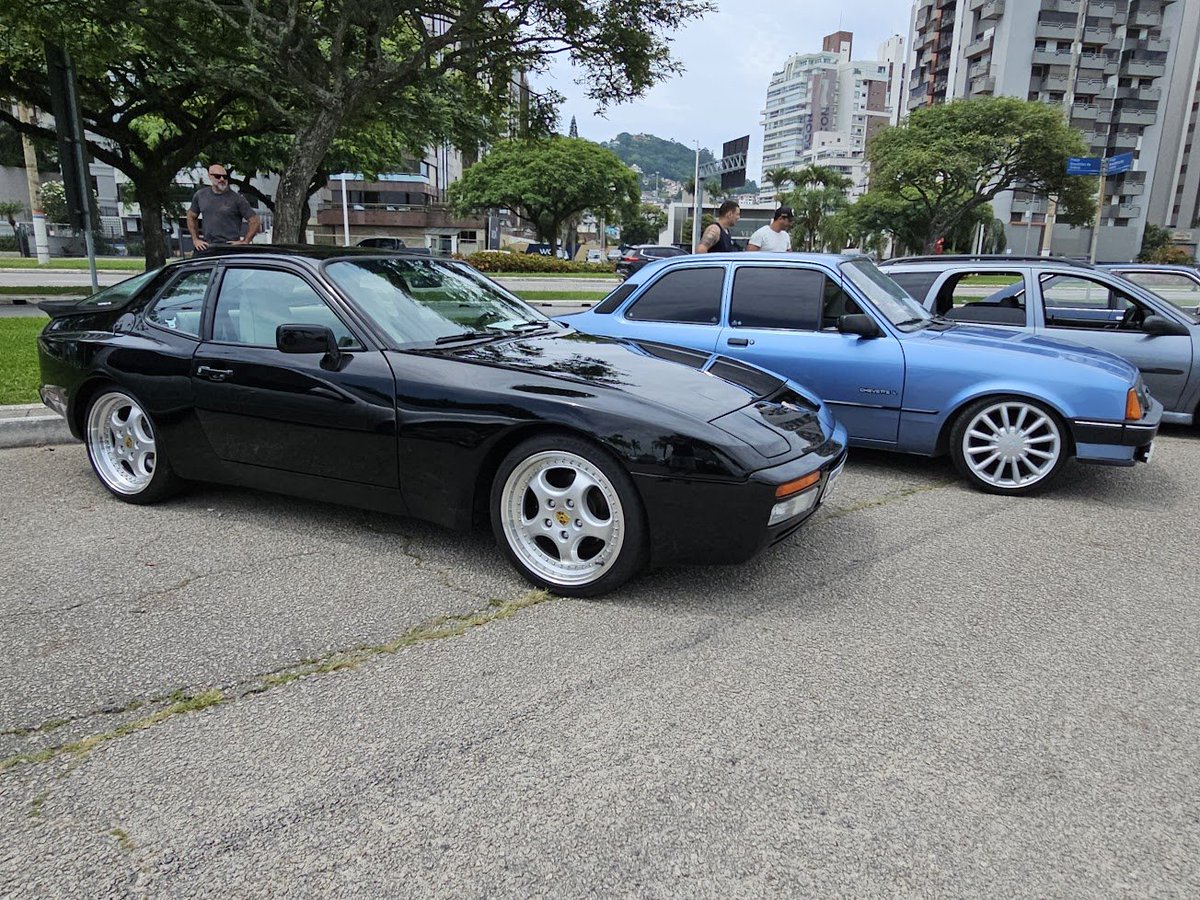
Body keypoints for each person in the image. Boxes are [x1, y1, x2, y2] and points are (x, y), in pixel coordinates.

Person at [187, 164, 261, 252]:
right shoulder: (200, 195)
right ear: (210, 177)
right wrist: (196, 240)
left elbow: (255, 220)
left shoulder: (237, 199)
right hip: (208, 247)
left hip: (230, 248)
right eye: (218, 176)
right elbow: (191, 216)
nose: (222, 179)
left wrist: (245, 241)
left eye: (225, 177)